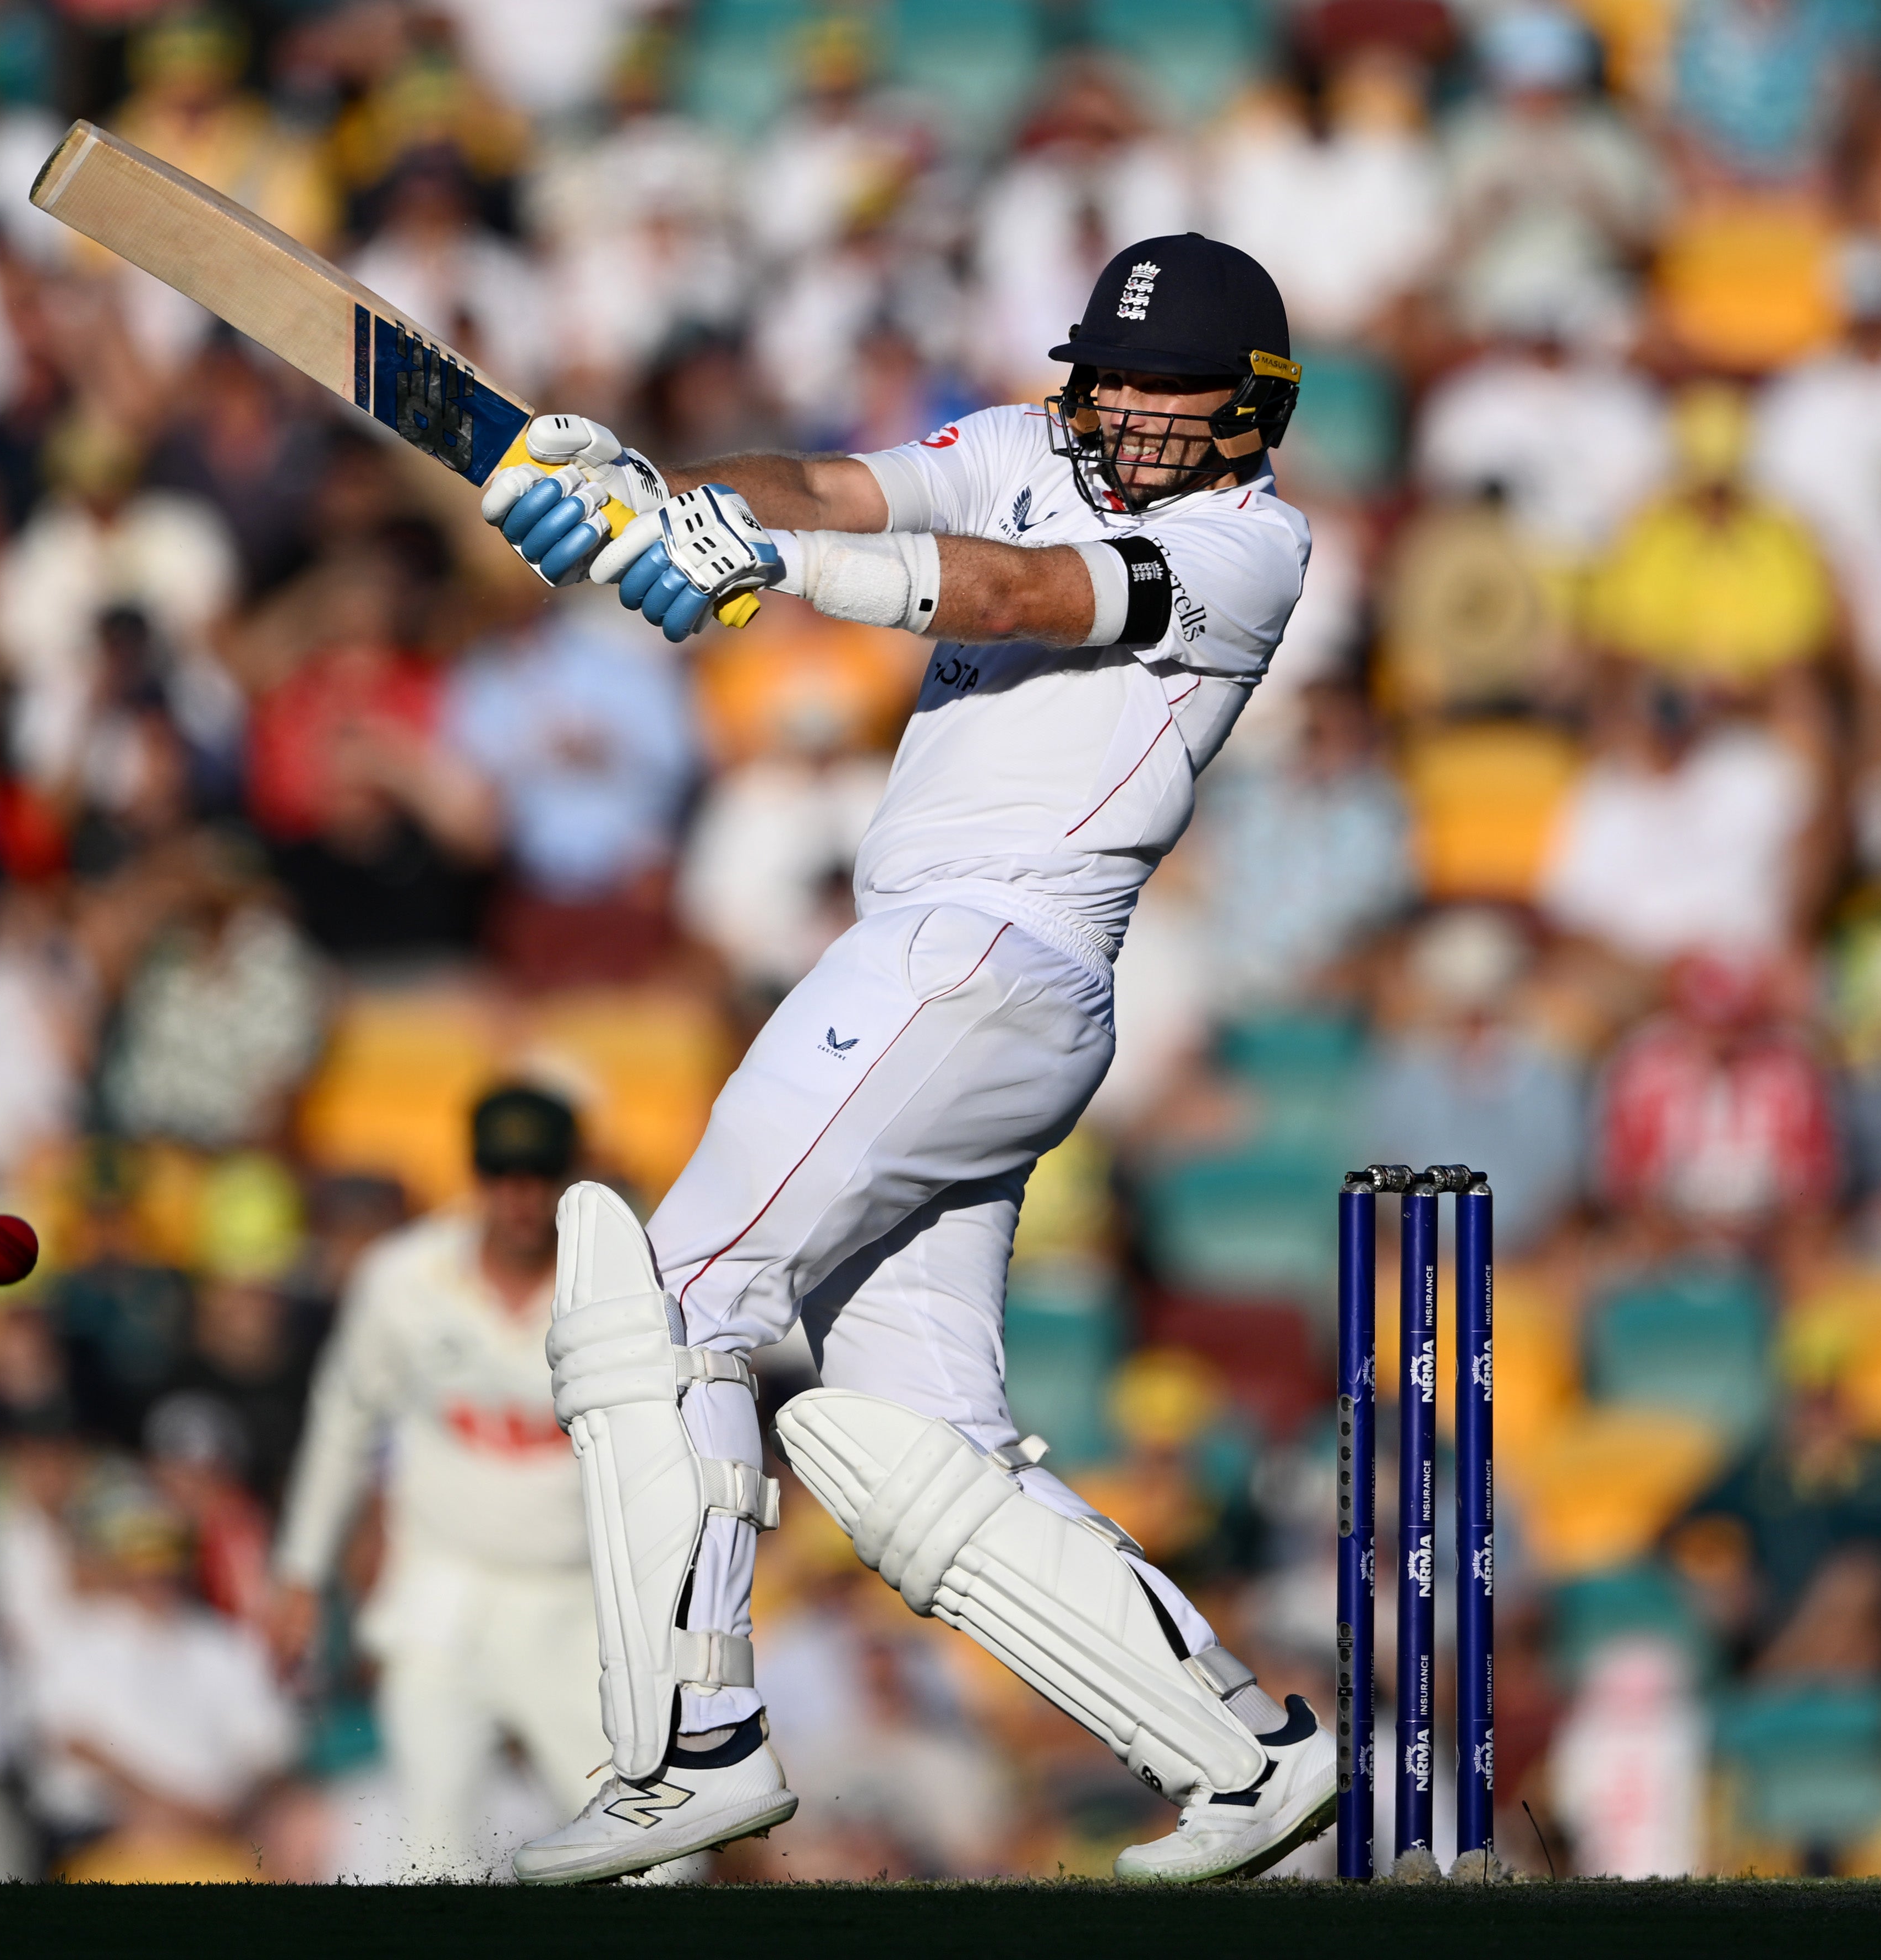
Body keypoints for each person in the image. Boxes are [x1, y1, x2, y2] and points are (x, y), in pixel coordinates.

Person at [476, 234, 1327, 1884]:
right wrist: (645, 488)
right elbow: (814, 480)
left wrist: (763, 563)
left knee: (674, 1299)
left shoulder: (1247, 547)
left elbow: (1022, 594)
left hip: (981, 956)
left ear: (1253, 406)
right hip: (960, 984)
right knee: (902, 1440)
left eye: (1180, 389)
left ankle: (688, 1745)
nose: (1140, 413)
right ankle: (1239, 1758)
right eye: (1120, 378)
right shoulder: (1018, 444)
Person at [267, 1085, 608, 1879]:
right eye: (501, 1175)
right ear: (477, 1175)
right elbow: (343, 1425)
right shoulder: (403, 1279)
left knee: (653, 1852)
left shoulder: (623, 1289)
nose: (520, 1199)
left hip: (578, 1604)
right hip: (440, 1588)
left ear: (573, 1176)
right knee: (434, 1848)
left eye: (539, 1175)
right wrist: (299, 1570)